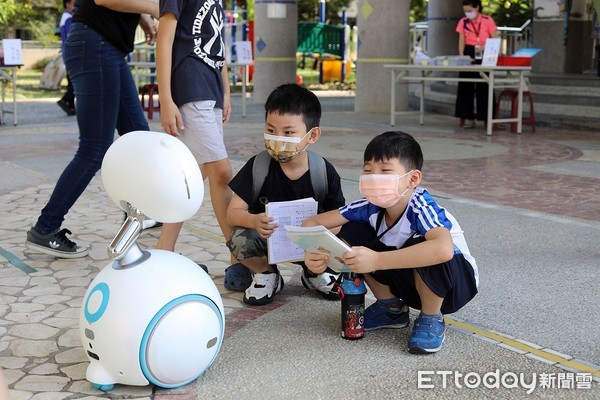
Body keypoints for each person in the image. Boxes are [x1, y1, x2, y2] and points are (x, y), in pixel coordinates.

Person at [302, 131, 478, 354]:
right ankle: (391, 309)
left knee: (426, 243)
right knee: (353, 229)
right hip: (409, 280)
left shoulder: (421, 207)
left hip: (454, 285)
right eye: (368, 171)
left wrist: (376, 259)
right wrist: (314, 254)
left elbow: (443, 249)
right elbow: (313, 223)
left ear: (413, 179)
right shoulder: (369, 206)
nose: (374, 178)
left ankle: (432, 317)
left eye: (385, 171)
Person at [25, 0, 159, 258]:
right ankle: (46, 227)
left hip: (106, 48)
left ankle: (136, 216)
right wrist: (155, 8)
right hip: (95, 46)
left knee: (138, 137)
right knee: (94, 149)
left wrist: (141, 14)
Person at [226, 83, 346, 306]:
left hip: (310, 243)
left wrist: (318, 232)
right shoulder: (258, 167)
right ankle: (266, 274)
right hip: (270, 239)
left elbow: (339, 217)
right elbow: (233, 213)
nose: (278, 138)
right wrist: (254, 220)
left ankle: (314, 274)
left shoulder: (322, 171)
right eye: (271, 130)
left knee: (344, 237)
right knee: (240, 239)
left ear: (312, 135)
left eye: (288, 133)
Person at [155, 0, 234, 256]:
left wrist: (226, 90)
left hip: (211, 88)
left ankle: (164, 249)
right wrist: (165, 99)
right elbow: (164, 39)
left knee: (194, 174)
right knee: (221, 171)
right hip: (190, 86)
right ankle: (241, 257)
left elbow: (217, 45)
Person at [454, 0, 499, 129]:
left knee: (485, 85)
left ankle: (487, 118)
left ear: (477, 8)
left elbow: (494, 37)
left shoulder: (487, 20)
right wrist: (462, 56)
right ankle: (467, 117)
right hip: (469, 52)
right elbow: (461, 40)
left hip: (485, 52)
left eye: (470, 10)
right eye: (466, 11)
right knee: (465, 85)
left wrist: (484, 46)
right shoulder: (463, 22)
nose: (468, 13)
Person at [56, 0, 76, 116]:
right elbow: (71, 35)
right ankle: (64, 99)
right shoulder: (68, 18)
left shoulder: (66, 17)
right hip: (71, 51)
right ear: (68, 4)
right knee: (74, 81)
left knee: (71, 80)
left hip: (67, 51)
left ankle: (71, 107)